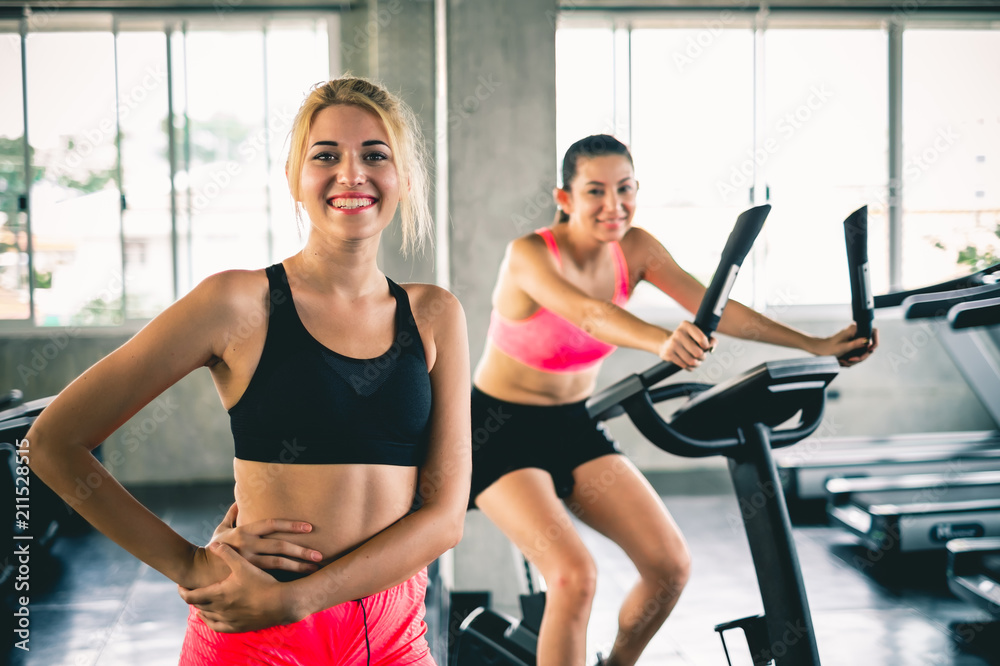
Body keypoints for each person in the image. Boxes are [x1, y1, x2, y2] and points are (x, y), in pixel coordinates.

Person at [24, 76, 471, 665]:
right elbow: (53, 442)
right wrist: (189, 563)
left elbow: (444, 519)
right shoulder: (237, 303)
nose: (351, 174)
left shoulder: (435, 313)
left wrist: (302, 600)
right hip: (256, 633)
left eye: (375, 155)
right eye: (326, 156)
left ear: (403, 179)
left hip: (391, 639)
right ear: (293, 179)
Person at [469, 134, 877, 666]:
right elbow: (588, 313)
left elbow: (717, 308)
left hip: (573, 424)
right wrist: (659, 340)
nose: (613, 205)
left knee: (669, 567)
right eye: (595, 191)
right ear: (564, 198)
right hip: (499, 430)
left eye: (625, 189)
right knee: (574, 578)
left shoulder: (636, 248)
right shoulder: (529, 255)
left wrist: (814, 343)